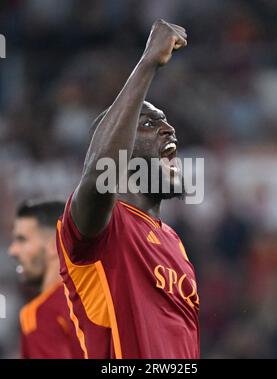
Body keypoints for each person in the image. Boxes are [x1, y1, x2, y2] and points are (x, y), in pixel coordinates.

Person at [56, 19, 199, 359]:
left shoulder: (174, 243)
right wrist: (148, 60)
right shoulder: (99, 229)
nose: (169, 129)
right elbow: (98, 171)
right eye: (149, 123)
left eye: (164, 120)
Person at [9, 200, 83, 358]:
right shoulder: (98, 299)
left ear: (53, 244)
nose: (12, 250)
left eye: (22, 240)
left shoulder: (40, 314)